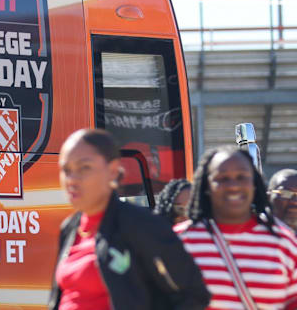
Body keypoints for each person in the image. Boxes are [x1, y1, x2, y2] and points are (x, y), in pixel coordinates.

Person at [49, 129, 209, 310]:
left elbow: (193, 294)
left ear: (113, 170)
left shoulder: (141, 224)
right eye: (66, 170)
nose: (72, 179)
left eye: (84, 167)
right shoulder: (70, 227)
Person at [175, 146, 297, 309]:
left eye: (242, 177)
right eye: (223, 178)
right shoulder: (179, 241)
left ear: (254, 183)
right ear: (206, 186)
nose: (233, 185)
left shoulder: (283, 241)